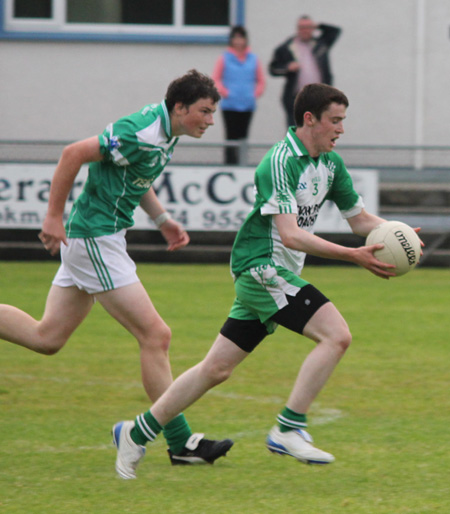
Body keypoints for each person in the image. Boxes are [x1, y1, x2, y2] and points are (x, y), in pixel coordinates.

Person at [112, 82, 422, 478]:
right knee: (336, 335)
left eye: (343, 121)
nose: (341, 130)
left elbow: (360, 220)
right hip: (261, 267)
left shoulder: (330, 164)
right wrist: (352, 256)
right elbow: (291, 235)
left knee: (215, 369)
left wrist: (398, 234)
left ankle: (135, 432)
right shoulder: (279, 162)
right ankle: (289, 427)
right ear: (310, 119)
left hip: (278, 272)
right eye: (335, 121)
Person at [0, 69, 234, 476]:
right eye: (204, 112)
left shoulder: (167, 132)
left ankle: (179, 443)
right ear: (180, 107)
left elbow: (135, 175)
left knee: (47, 337)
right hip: (94, 238)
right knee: (156, 336)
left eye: (212, 113)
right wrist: (52, 217)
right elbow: (73, 153)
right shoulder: (140, 129)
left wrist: (162, 219)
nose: (210, 121)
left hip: (101, 238)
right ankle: (180, 442)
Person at [269, 16, 341, 127]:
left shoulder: (321, 44)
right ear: (297, 29)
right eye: (302, 27)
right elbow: (273, 69)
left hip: (320, 98)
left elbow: (335, 31)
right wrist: (287, 68)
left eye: (308, 27)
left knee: (319, 130)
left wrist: (318, 25)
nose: (305, 30)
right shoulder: (287, 48)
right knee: (297, 131)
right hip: (296, 98)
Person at [212, 25, 266, 165]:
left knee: (243, 136)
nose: (238, 41)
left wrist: (254, 94)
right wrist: (226, 93)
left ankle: (242, 163)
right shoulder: (224, 58)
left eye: (241, 37)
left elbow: (260, 80)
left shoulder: (253, 58)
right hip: (230, 105)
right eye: (235, 37)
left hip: (247, 104)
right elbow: (216, 78)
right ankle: (229, 163)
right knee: (230, 137)